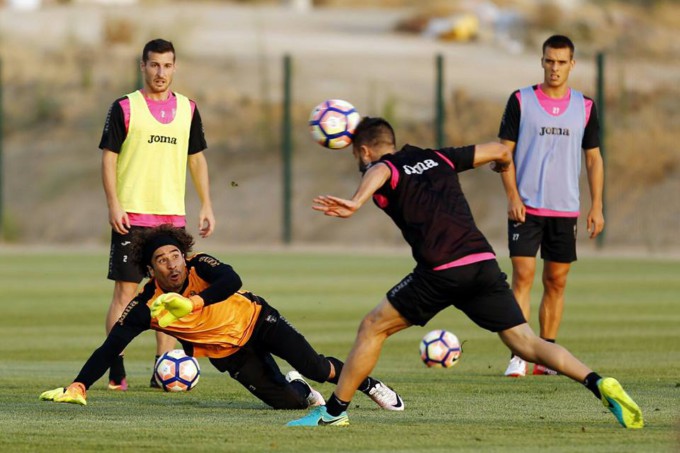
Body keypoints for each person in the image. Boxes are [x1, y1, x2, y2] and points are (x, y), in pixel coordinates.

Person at [286, 117, 642, 428]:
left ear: (364, 151)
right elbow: (501, 150)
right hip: (481, 263)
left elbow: (383, 170)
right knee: (527, 343)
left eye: (357, 156)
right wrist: (502, 163)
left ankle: (333, 413)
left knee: (372, 327)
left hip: (440, 270)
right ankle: (597, 382)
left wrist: (357, 200)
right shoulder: (438, 156)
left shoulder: (385, 167)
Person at [39, 225, 402, 411]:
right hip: (229, 354)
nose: (172, 263)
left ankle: (371, 386)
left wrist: (195, 303)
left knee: (319, 368)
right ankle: (299, 389)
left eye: (175, 255)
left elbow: (233, 281)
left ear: (184, 255)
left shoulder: (201, 265)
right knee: (287, 403)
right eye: (162, 260)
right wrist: (80, 384)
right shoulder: (147, 304)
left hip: (259, 321)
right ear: (151, 269)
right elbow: (111, 346)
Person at [99, 38, 216, 390]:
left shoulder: (188, 109)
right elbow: (109, 158)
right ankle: (115, 366)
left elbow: (196, 158)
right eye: (154, 65)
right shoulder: (124, 107)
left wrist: (206, 203)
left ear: (175, 67)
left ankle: (162, 368)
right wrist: (113, 204)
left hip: (171, 219)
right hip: (132, 214)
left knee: (169, 298)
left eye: (167, 65)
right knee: (125, 293)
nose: (160, 72)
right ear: (142, 66)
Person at [497, 35, 604, 378]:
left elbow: (593, 160)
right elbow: (503, 154)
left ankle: (546, 352)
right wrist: (512, 196)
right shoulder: (520, 100)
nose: (554, 68)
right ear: (541, 61)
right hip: (526, 208)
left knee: (556, 281)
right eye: (549, 61)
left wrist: (597, 206)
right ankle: (519, 354)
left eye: (561, 62)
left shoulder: (585, 106)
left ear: (572, 64)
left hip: (565, 209)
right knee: (523, 277)